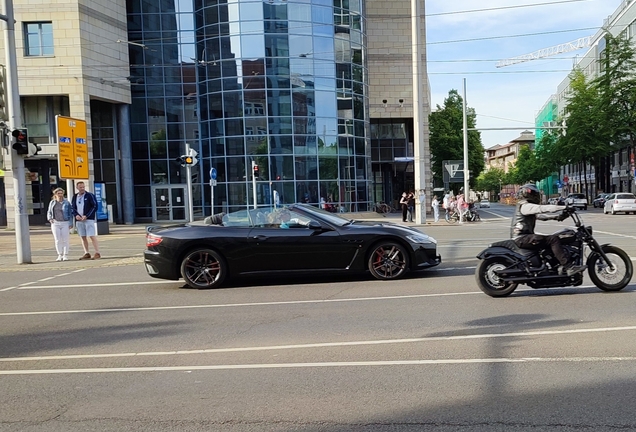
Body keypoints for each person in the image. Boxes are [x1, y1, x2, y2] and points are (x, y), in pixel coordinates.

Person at [511, 183, 586, 276]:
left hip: (524, 238)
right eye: (534, 193)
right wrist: (563, 207)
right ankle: (569, 267)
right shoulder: (525, 206)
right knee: (553, 239)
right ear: (528, 194)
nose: (536, 196)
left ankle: (555, 265)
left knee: (548, 240)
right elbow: (542, 209)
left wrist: (557, 217)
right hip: (522, 238)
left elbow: (541, 216)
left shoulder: (525, 207)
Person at [71, 181, 101, 260]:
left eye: (83, 187)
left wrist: (87, 215)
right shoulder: (75, 197)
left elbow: (94, 206)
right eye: (80, 187)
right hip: (79, 220)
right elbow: (73, 208)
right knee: (82, 236)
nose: (82, 189)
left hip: (88, 219)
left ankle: (97, 252)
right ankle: (86, 252)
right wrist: (76, 215)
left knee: (91, 235)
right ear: (77, 188)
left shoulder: (90, 195)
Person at [46, 187, 73, 261]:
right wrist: (50, 218)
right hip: (55, 222)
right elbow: (49, 211)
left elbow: (70, 213)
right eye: (58, 193)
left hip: (65, 222)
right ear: (55, 194)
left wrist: (71, 223)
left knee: (65, 239)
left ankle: (65, 255)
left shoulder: (66, 202)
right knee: (57, 240)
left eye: (61, 193)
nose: (60, 195)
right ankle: (59, 254)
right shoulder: (52, 202)